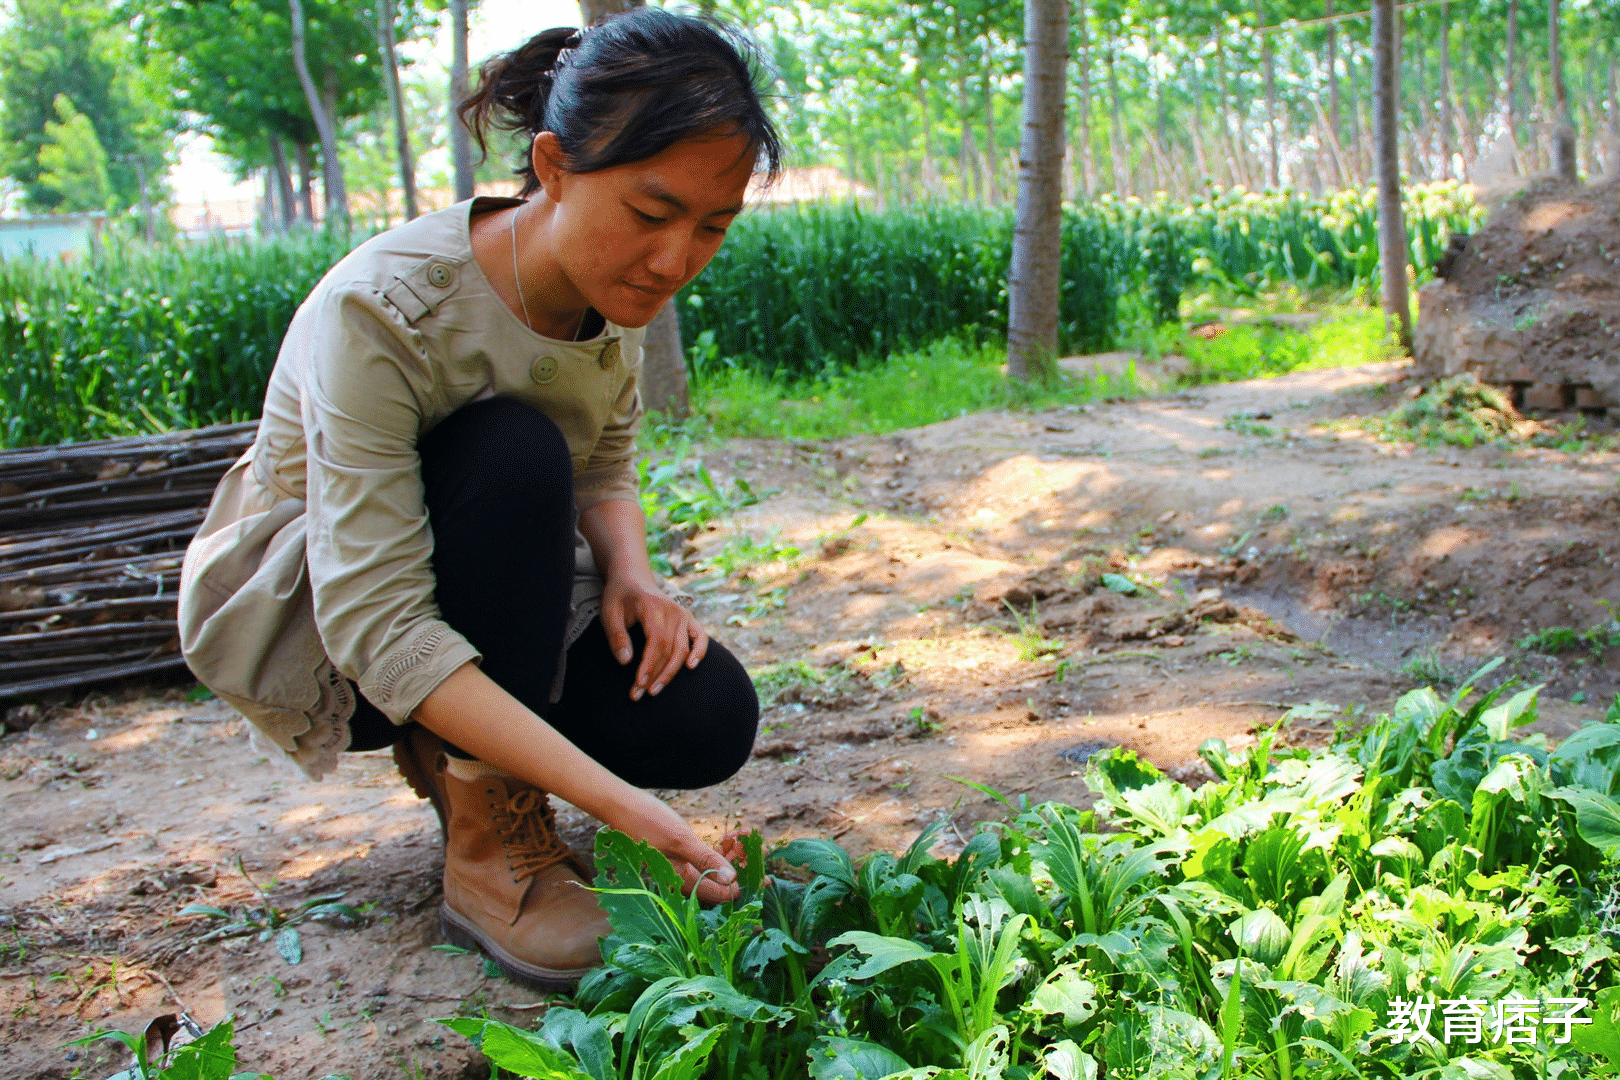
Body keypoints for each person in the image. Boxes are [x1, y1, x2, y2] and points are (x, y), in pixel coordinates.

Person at [178, 7, 778, 991]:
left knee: (705, 716)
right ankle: (493, 861)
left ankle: (466, 749)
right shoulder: (384, 310)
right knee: (511, 452)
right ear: (551, 166)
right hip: (320, 617)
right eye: (650, 212)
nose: (676, 260)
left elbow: (608, 448)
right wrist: (626, 810)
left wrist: (632, 571)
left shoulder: (605, 284)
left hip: (489, 574)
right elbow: (376, 621)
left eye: (713, 226)